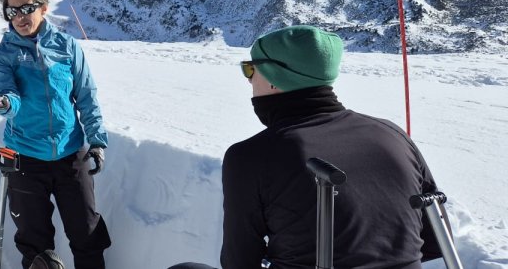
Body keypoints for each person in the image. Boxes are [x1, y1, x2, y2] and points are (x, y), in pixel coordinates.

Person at [171, 25, 442, 269]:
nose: (248, 79)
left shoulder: (251, 156)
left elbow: (240, 261)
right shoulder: (392, 134)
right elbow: (434, 242)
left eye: (250, 69)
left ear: (274, 76)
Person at [0, 0, 111, 269]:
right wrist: (5, 104)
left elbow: (86, 95)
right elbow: (10, 95)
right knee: (35, 245)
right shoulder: (3, 55)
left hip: (71, 154)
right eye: (11, 11)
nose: (19, 17)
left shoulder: (67, 46)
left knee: (88, 235)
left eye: (25, 9)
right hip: (26, 158)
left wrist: (97, 142)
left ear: (42, 8)